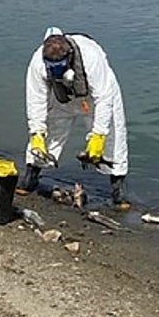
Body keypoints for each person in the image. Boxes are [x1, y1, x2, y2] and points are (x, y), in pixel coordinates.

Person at [17, 26, 129, 205]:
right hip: (60, 95)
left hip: (94, 97)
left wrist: (98, 135)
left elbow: (104, 98)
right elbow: (36, 100)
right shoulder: (38, 63)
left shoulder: (91, 57)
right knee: (48, 135)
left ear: (69, 57)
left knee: (113, 137)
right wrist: (36, 131)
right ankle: (31, 177)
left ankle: (118, 190)